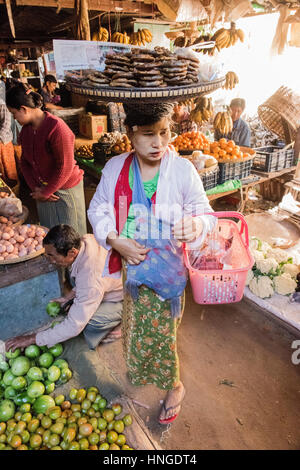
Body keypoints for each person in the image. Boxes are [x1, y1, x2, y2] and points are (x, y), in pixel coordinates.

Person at [88, 102, 215, 425]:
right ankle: (143, 367)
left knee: (163, 335)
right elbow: (99, 207)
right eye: (148, 135)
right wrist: (115, 240)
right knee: (135, 325)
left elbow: (205, 213)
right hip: (134, 269)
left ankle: (175, 387)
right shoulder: (116, 167)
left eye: (165, 133)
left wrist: (197, 225)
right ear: (131, 135)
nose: (159, 143)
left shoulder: (182, 170)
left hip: (168, 275)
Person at [5, 224, 123, 352]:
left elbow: (74, 326)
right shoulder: (85, 241)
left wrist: (32, 339)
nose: (50, 260)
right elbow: (87, 280)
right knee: (78, 294)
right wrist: (70, 296)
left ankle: (122, 319)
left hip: (125, 295)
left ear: (72, 252)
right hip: (107, 282)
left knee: (89, 324)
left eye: (52, 255)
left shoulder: (91, 279)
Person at [6, 83, 87, 235]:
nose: (14, 118)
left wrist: (48, 190)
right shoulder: (26, 131)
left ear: (23, 109)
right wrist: (36, 189)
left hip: (65, 189)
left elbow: (65, 166)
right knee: (50, 235)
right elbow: (25, 162)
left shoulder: (57, 128)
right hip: (42, 189)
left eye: (14, 113)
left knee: (72, 236)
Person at [0, 96, 18, 185]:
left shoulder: (1, 104)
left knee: (9, 169)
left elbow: (6, 124)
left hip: (3, 142)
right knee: (1, 170)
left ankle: (14, 191)